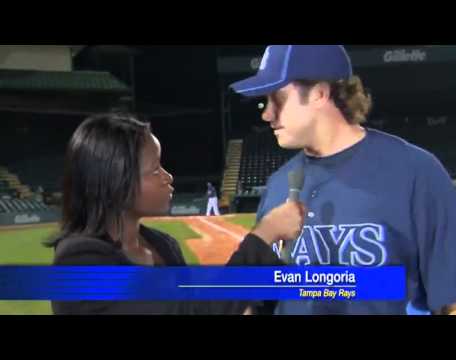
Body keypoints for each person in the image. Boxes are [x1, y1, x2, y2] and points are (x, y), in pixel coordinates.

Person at [230, 45, 456, 315]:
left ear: (319, 93)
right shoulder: (279, 185)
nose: (266, 114)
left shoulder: (414, 171)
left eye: (276, 99)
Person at [49, 113, 305, 315]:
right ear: (116, 180)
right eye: (155, 169)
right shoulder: (78, 262)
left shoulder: (163, 245)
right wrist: (264, 235)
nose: (168, 177)